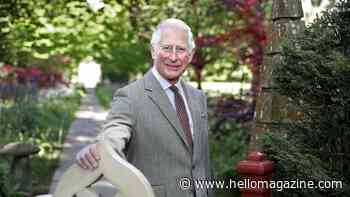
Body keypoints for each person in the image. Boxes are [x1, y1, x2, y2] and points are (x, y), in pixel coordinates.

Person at [76, 18, 214, 197]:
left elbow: (201, 162)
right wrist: (100, 147)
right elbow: (115, 130)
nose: (173, 57)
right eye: (166, 48)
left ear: (190, 54)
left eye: (180, 49)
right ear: (153, 51)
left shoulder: (198, 98)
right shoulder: (130, 96)